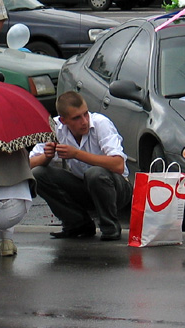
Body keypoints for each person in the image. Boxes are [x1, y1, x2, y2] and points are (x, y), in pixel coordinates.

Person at [30, 91, 131, 241]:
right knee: (38, 173)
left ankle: (110, 228)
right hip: (85, 187)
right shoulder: (55, 127)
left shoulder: (100, 123)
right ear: (63, 121)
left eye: (85, 114)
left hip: (116, 189)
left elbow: (118, 165)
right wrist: (47, 157)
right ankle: (78, 224)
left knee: (95, 174)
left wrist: (76, 154)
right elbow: (29, 164)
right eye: (76, 118)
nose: (84, 121)